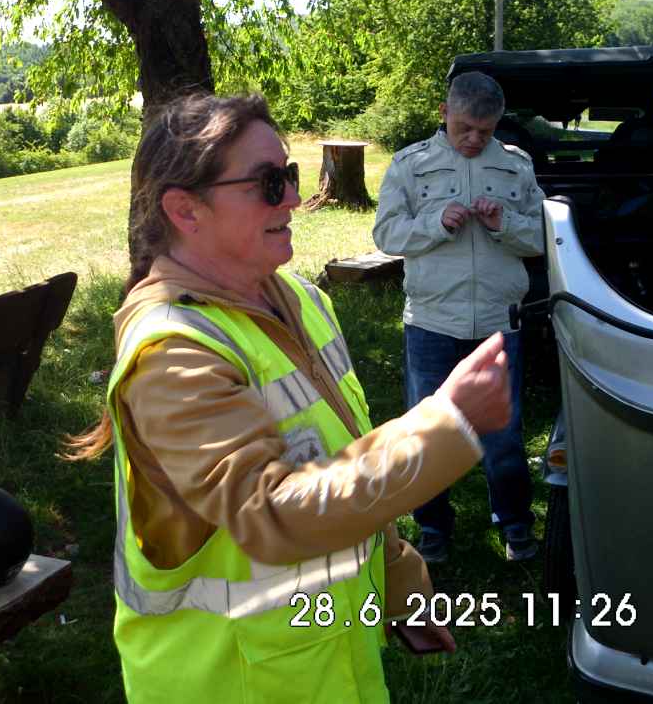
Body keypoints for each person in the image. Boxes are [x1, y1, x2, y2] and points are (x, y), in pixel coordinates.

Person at [70, 93, 513, 703]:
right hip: (232, 679)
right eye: (268, 183)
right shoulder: (173, 351)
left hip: (321, 663)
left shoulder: (298, 299)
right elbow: (269, 512)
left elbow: (342, 454)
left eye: (291, 175)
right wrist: (448, 425)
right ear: (185, 209)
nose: (295, 199)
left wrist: (399, 581)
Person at [373, 71, 546, 564]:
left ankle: (515, 524)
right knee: (428, 431)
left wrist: (503, 223)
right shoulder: (411, 164)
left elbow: (540, 238)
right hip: (430, 320)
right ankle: (432, 528)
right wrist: (435, 221)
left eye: (485, 132)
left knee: (504, 434)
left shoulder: (517, 166)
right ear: (444, 113)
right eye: (464, 128)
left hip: (497, 321)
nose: (474, 140)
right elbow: (386, 233)